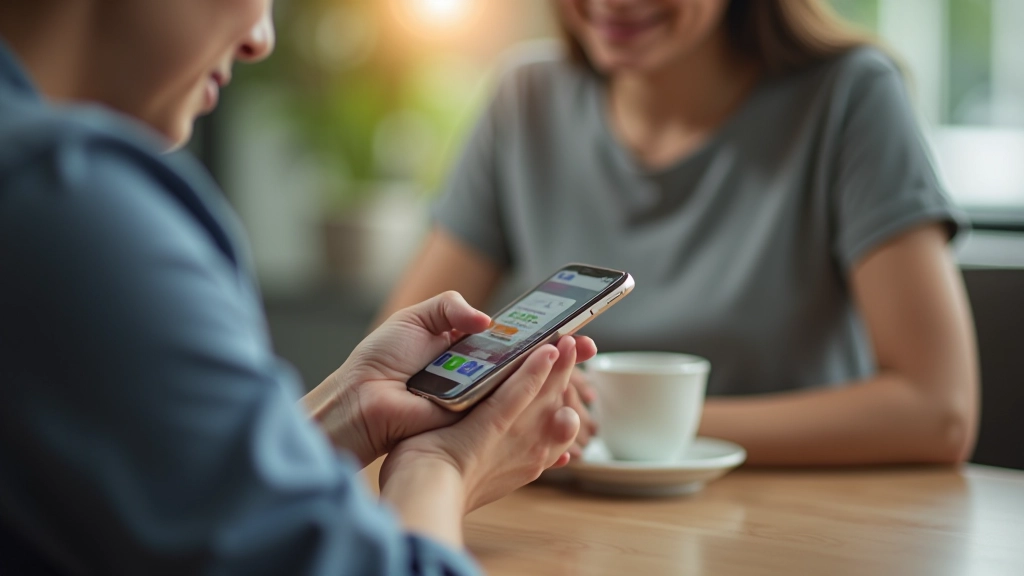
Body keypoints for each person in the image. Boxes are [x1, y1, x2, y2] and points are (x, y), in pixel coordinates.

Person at [0, 1, 595, 574]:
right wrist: (445, 464)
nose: (262, 38)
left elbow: (177, 490)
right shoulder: (66, 205)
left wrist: (347, 412)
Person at [380, 0, 980, 466]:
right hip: (567, 523)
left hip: (789, 529)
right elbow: (397, 366)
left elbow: (939, 412)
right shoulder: (526, 97)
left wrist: (616, 426)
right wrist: (504, 412)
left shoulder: (851, 94)